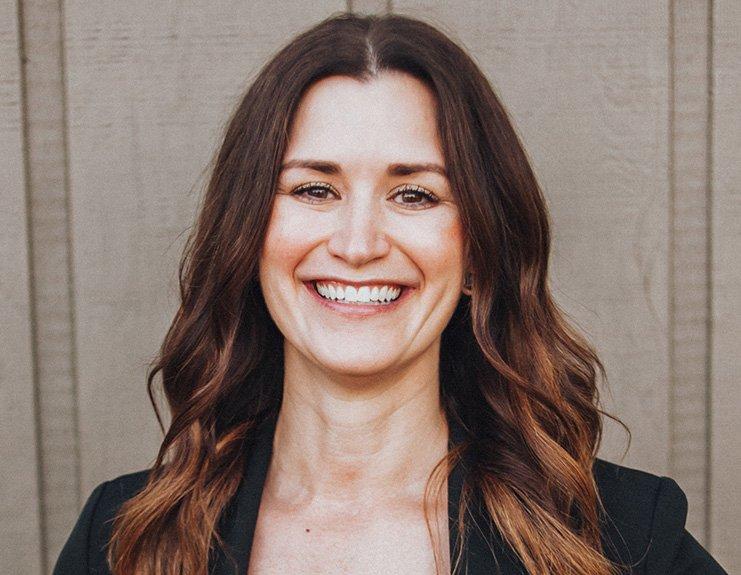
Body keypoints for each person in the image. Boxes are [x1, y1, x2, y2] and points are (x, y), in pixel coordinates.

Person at [53, 12, 727, 575]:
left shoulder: (624, 541)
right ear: (248, 232)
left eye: (415, 194)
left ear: (478, 252)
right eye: (314, 189)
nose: (357, 242)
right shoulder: (117, 544)